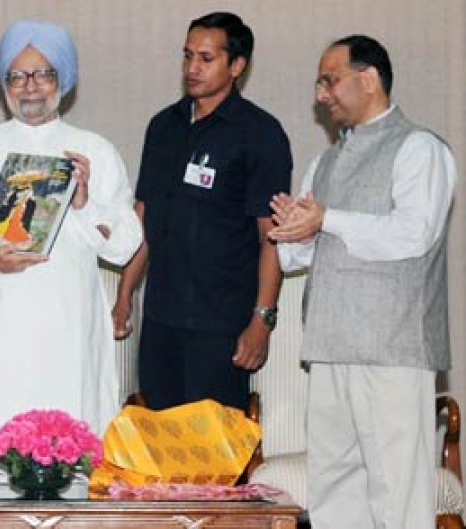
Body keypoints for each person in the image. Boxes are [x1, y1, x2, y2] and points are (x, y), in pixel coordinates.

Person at [0, 19, 142, 475]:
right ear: (3, 83)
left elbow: (125, 248)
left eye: (43, 74)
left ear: (63, 80)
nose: (30, 87)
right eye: (17, 75)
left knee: (75, 470)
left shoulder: (95, 151)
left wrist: (84, 205)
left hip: (71, 334)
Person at [269, 35, 457, 529]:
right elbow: (297, 259)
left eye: (330, 81)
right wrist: (295, 232)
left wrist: (326, 219)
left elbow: (413, 235)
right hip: (330, 344)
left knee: (398, 490)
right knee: (334, 487)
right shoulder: (325, 162)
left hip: (394, 349)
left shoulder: (419, 148)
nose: (321, 95)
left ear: (368, 79)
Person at [113, 12, 292, 411]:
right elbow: (145, 216)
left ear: (237, 65)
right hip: (161, 320)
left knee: (213, 444)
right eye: (188, 55)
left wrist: (262, 320)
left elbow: (272, 236)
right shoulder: (163, 127)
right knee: (159, 438)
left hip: (221, 326)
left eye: (206, 58)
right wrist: (125, 295)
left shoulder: (260, 134)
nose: (192, 68)